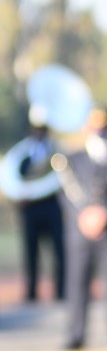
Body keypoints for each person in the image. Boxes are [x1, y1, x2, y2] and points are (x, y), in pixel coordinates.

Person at [55, 106, 107, 350]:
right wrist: (84, 215)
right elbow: (66, 193)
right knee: (77, 284)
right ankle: (75, 334)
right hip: (80, 231)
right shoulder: (73, 159)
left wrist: (105, 213)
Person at [0, 106, 66, 302]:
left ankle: (61, 290)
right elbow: (15, 181)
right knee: (31, 252)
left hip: (52, 208)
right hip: (30, 209)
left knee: (58, 251)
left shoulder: (56, 154)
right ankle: (32, 291)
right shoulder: (24, 156)